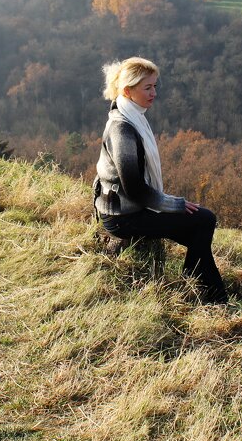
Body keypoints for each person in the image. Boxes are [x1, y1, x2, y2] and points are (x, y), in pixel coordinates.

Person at [93, 56, 229, 304]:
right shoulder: (122, 128)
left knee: (199, 233)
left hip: (128, 208)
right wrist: (173, 204)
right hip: (123, 218)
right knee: (204, 221)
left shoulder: (130, 114)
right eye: (147, 87)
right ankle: (208, 292)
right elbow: (133, 188)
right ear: (128, 90)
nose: (154, 92)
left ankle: (209, 293)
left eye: (155, 86)